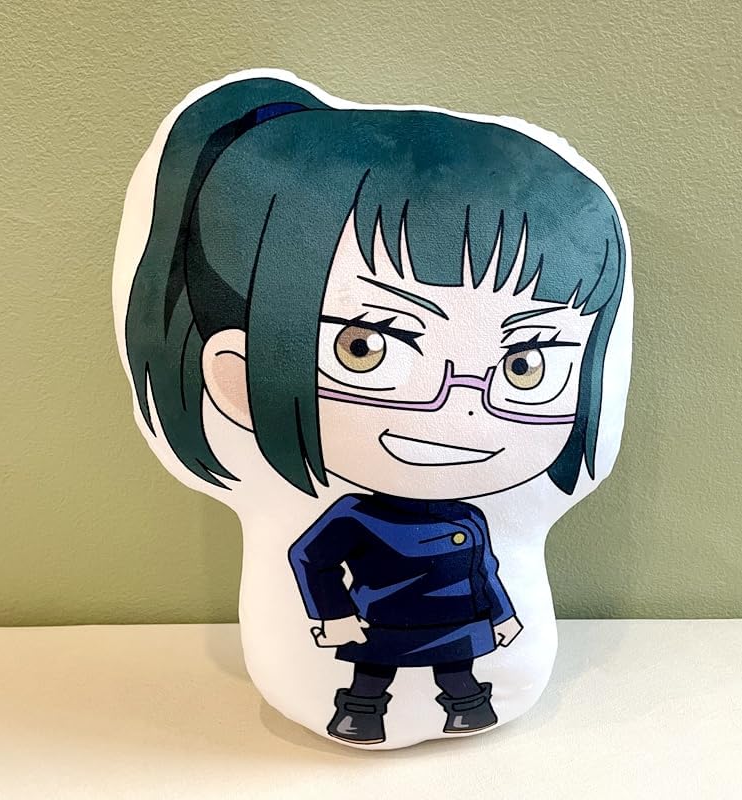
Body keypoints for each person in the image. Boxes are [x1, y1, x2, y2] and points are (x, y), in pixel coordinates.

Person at [123, 75, 626, 744]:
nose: (464, 406)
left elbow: (487, 575)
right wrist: (333, 617)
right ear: (236, 375)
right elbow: (314, 561)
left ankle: (462, 703)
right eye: (366, 347)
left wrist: (504, 620)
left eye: (524, 364)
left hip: (458, 629)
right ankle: (363, 712)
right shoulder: (354, 519)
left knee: (457, 673)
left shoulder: (467, 521)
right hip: (380, 626)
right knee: (371, 676)